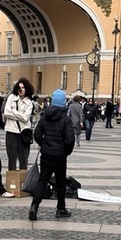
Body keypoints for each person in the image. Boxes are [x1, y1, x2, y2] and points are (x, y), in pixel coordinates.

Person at [28, 88, 75, 221]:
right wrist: (66, 151)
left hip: (46, 154)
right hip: (60, 155)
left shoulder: (44, 117)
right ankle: (60, 209)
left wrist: (44, 144)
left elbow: (37, 134)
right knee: (60, 182)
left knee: (43, 180)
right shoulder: (66, 119)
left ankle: (34, 207)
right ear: (63, 103)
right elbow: (70, 139)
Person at [3, 78, 34, 170]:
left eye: (23, 87)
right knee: (12, 158)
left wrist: (13, 111)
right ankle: (12, 182)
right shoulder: (11, 97)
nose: (21, 90)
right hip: (11, 131)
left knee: (23, 159)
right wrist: (19, 115)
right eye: (19, 87)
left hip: (23, 133)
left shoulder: (29, 102)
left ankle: (23, 181)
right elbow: (6, 113)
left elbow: (26, 118)